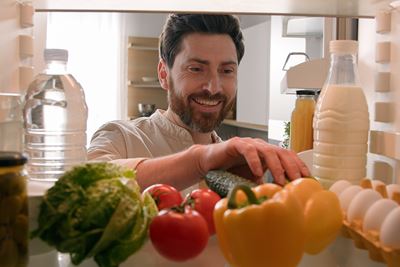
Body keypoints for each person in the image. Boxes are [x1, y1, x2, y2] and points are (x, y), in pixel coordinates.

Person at [88, 14, 310, 191]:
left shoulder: (239, 165)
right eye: (196, 69)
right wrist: (199, 161)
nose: (213, 87)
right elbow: (89, 181)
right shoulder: (121, 137)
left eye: (226, 70)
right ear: (164, 74)